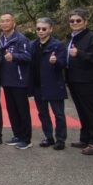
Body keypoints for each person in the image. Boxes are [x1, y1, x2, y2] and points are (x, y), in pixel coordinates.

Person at [64, 9, 93, 155]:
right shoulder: (71, 38)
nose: (75, 23)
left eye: (78, 20)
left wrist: (79, 53)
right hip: (73, 79)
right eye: (72, 21)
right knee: (82, 111)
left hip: (88, 80)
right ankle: (85, 138)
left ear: (86, 22)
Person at [29, 18, 68, 150]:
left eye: (44, 29)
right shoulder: (33, 45)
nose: (41, 31)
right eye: (38, 29)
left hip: (54, 84)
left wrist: (56, 61)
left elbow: (64, 64)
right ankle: (48, 137)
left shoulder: (58, 45)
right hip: (38, 85)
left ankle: (61, 139)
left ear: (50, 29)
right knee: (43, 113)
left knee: (59, 114)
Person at [0, 13, 33, 150]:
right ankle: (17, 135)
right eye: (2, 21)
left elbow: (28, 56)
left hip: (19, 80)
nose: (5, 23)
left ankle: (26, 139)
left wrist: (14, 56)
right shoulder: (0, 39)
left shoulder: (21, 39)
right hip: (6, 80)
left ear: (14, 22)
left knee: (22, 111)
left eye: (7, 21)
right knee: (12, 110)